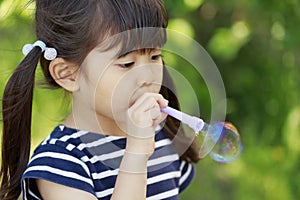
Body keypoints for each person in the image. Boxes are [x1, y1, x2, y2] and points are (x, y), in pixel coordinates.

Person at [0, 0, 200, 199]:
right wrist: (136, 154)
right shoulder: (60, 165)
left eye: (155, 57)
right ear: (68, 75)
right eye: (127, 64)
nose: (147, 77)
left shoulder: (158, 137)